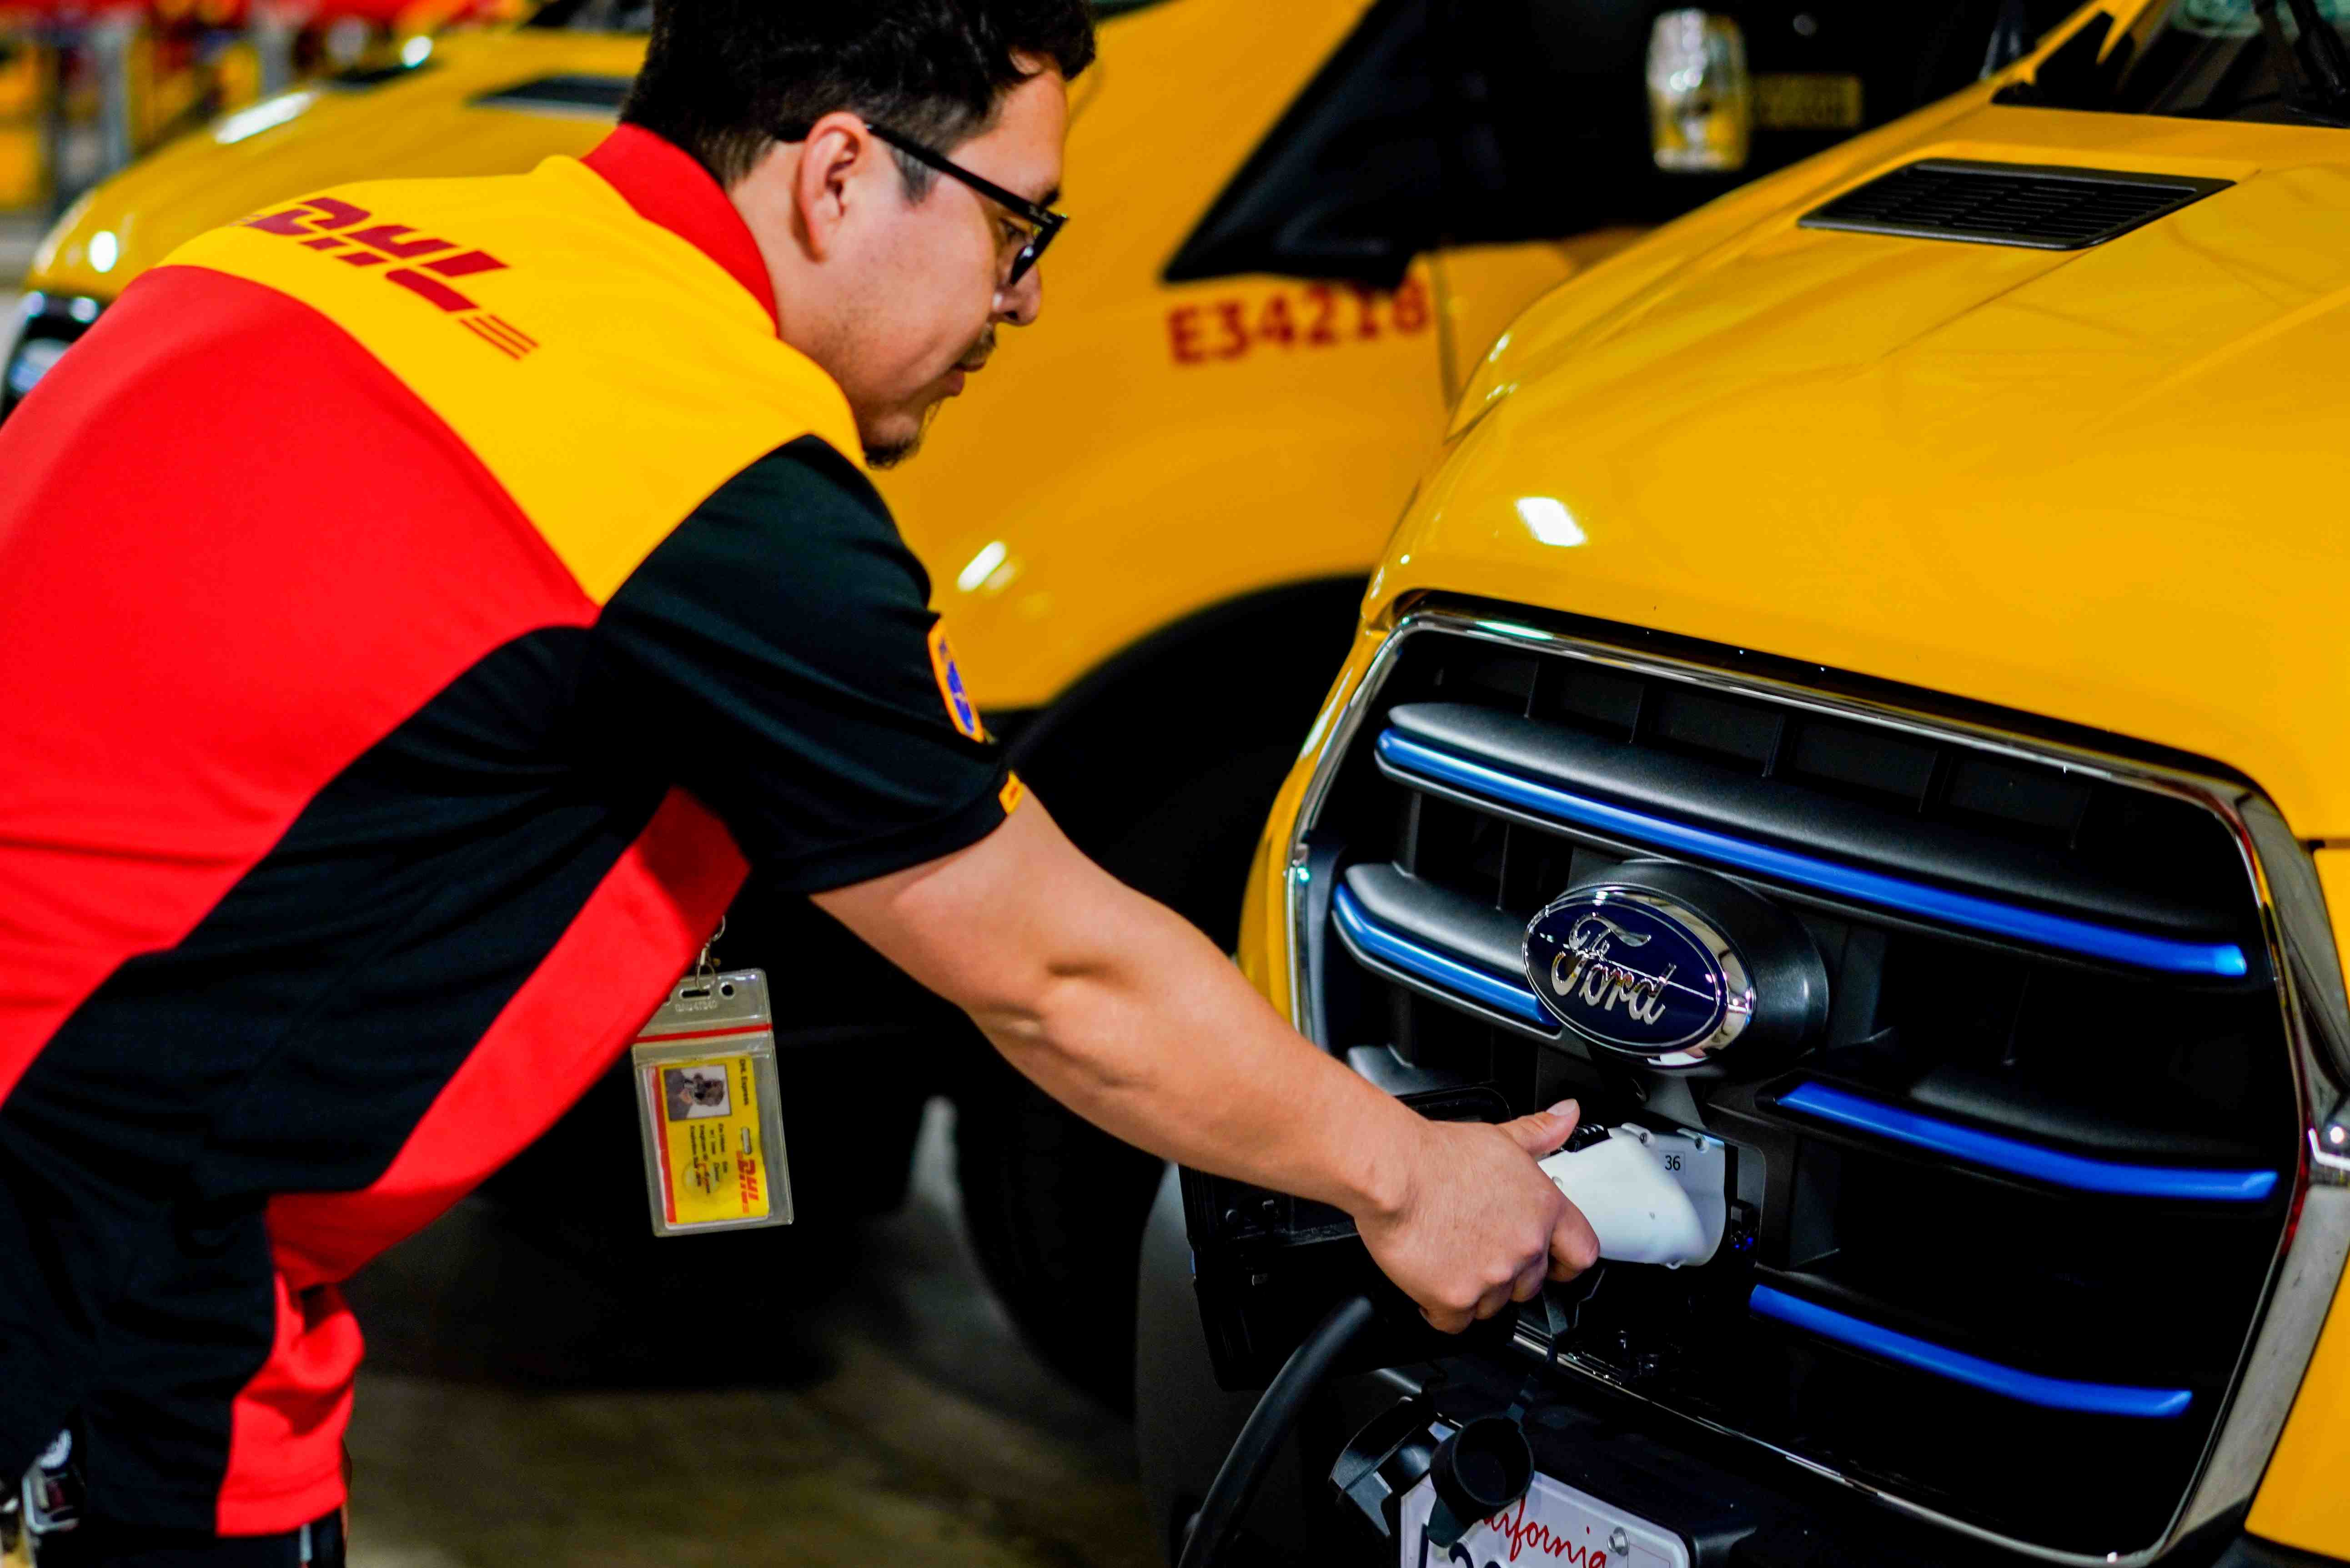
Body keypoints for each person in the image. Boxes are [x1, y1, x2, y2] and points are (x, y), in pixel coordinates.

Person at [0, 0, 1598, 1558]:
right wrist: (1407, 1177)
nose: (1021, 302)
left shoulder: (314, 240)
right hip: (101, 1254)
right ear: (839, 174)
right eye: (1016, 229)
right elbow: (1050, 970)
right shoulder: (709, 468)